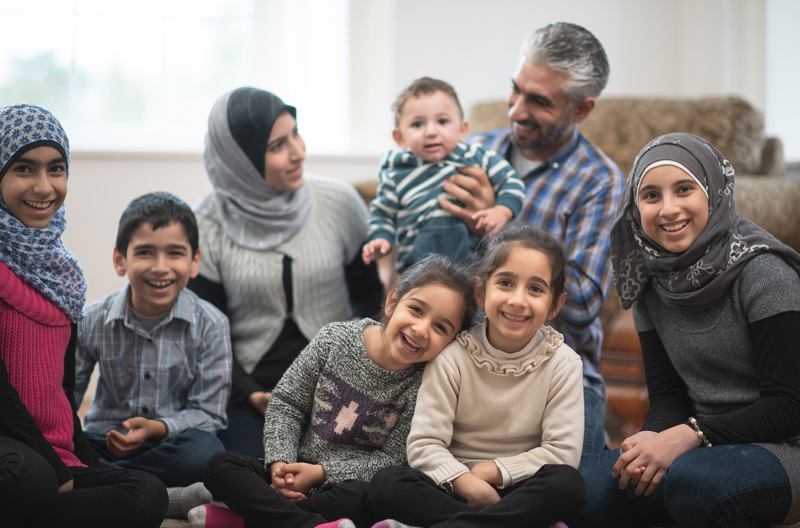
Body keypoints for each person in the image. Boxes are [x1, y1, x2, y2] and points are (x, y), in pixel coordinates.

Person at [573, 133, 800, 528]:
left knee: (693, 485)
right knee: (574, 486)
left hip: (784, 448)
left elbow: (790, 407)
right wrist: (652, 440)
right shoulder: (648, 283)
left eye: (684, 189)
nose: (669, 209)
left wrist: (688, 435)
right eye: (651, 195)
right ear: (635, 206)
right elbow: (667, 396)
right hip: (695, 448)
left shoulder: (764, 273)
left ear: (713, 191)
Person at [186, 254, 477, 528]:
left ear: (451, 342)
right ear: (392, 303)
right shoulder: (334, 339)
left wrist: (322, 473)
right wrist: (281, 465)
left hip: (344, 487)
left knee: (368, 498)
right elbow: (287, 404)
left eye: (441, 327)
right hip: (295, 467)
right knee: (220, 466)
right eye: (415, 310)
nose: (421, 329)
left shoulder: (426, 382)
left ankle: (246, 521)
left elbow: (393, 459)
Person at [453, 22, 624, 454]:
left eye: (540, 101)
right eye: (516, 90)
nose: (515, 110)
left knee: (576, 496)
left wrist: (501, 219)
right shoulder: (474, 152)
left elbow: (582, 304)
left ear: (581, 110)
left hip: (558, 374)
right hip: (462, 360)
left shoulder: (601, 183)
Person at [188, 87, 383, 459]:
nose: (298, 152)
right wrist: (250, 394)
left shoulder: (340, 203)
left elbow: (372, 298)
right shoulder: (204, 225)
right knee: (240, 467)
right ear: (238, 160)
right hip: (249, 394)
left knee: (359, 470)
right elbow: (209, 335)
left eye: (295, 133)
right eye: (277, 145)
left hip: (341, 387)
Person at [0, 103, 168, 527]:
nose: (44, 186)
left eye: (56, 169)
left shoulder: (63, 276)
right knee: (28, 478)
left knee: (147, 493)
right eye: (24, 169)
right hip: (12, 449)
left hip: (48, 451)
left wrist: (83, 464)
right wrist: (58, 474)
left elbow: (63, 388)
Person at [370, 224, 586, 528]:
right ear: (481, 292)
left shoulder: (563, 364)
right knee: (387, 484)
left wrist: (490, 472)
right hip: (451, 484)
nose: (518, 300)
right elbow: (425, 443)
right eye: (506, 283)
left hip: (520, 487)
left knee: (567, 484)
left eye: (536, 289)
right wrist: (466, 482)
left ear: (555, 304)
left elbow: (561, 453)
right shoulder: (453, 357)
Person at [75, 192, 232, 492]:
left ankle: (108, 482)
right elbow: (64, 399)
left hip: (170, 444)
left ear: (194, 261)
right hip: (104, 441)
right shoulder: (91, 319)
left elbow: (210, 414)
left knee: (207, 452)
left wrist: (156, 429)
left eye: (174, 253)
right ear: (120, 259)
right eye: (145, 252)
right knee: (63, 444)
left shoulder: (211, 324)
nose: (160, 267)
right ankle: (158, 492)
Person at [363, 77, 524, 271]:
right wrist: (380, 238)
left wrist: (501, 210)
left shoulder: (476, 156)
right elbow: (382, 213)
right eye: (417, 124)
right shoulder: (397, 171)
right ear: (400, 138)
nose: (431, 131)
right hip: (416, 270)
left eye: (442, 121)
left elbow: (511, 181)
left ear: (462, 130)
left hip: (470, 266)